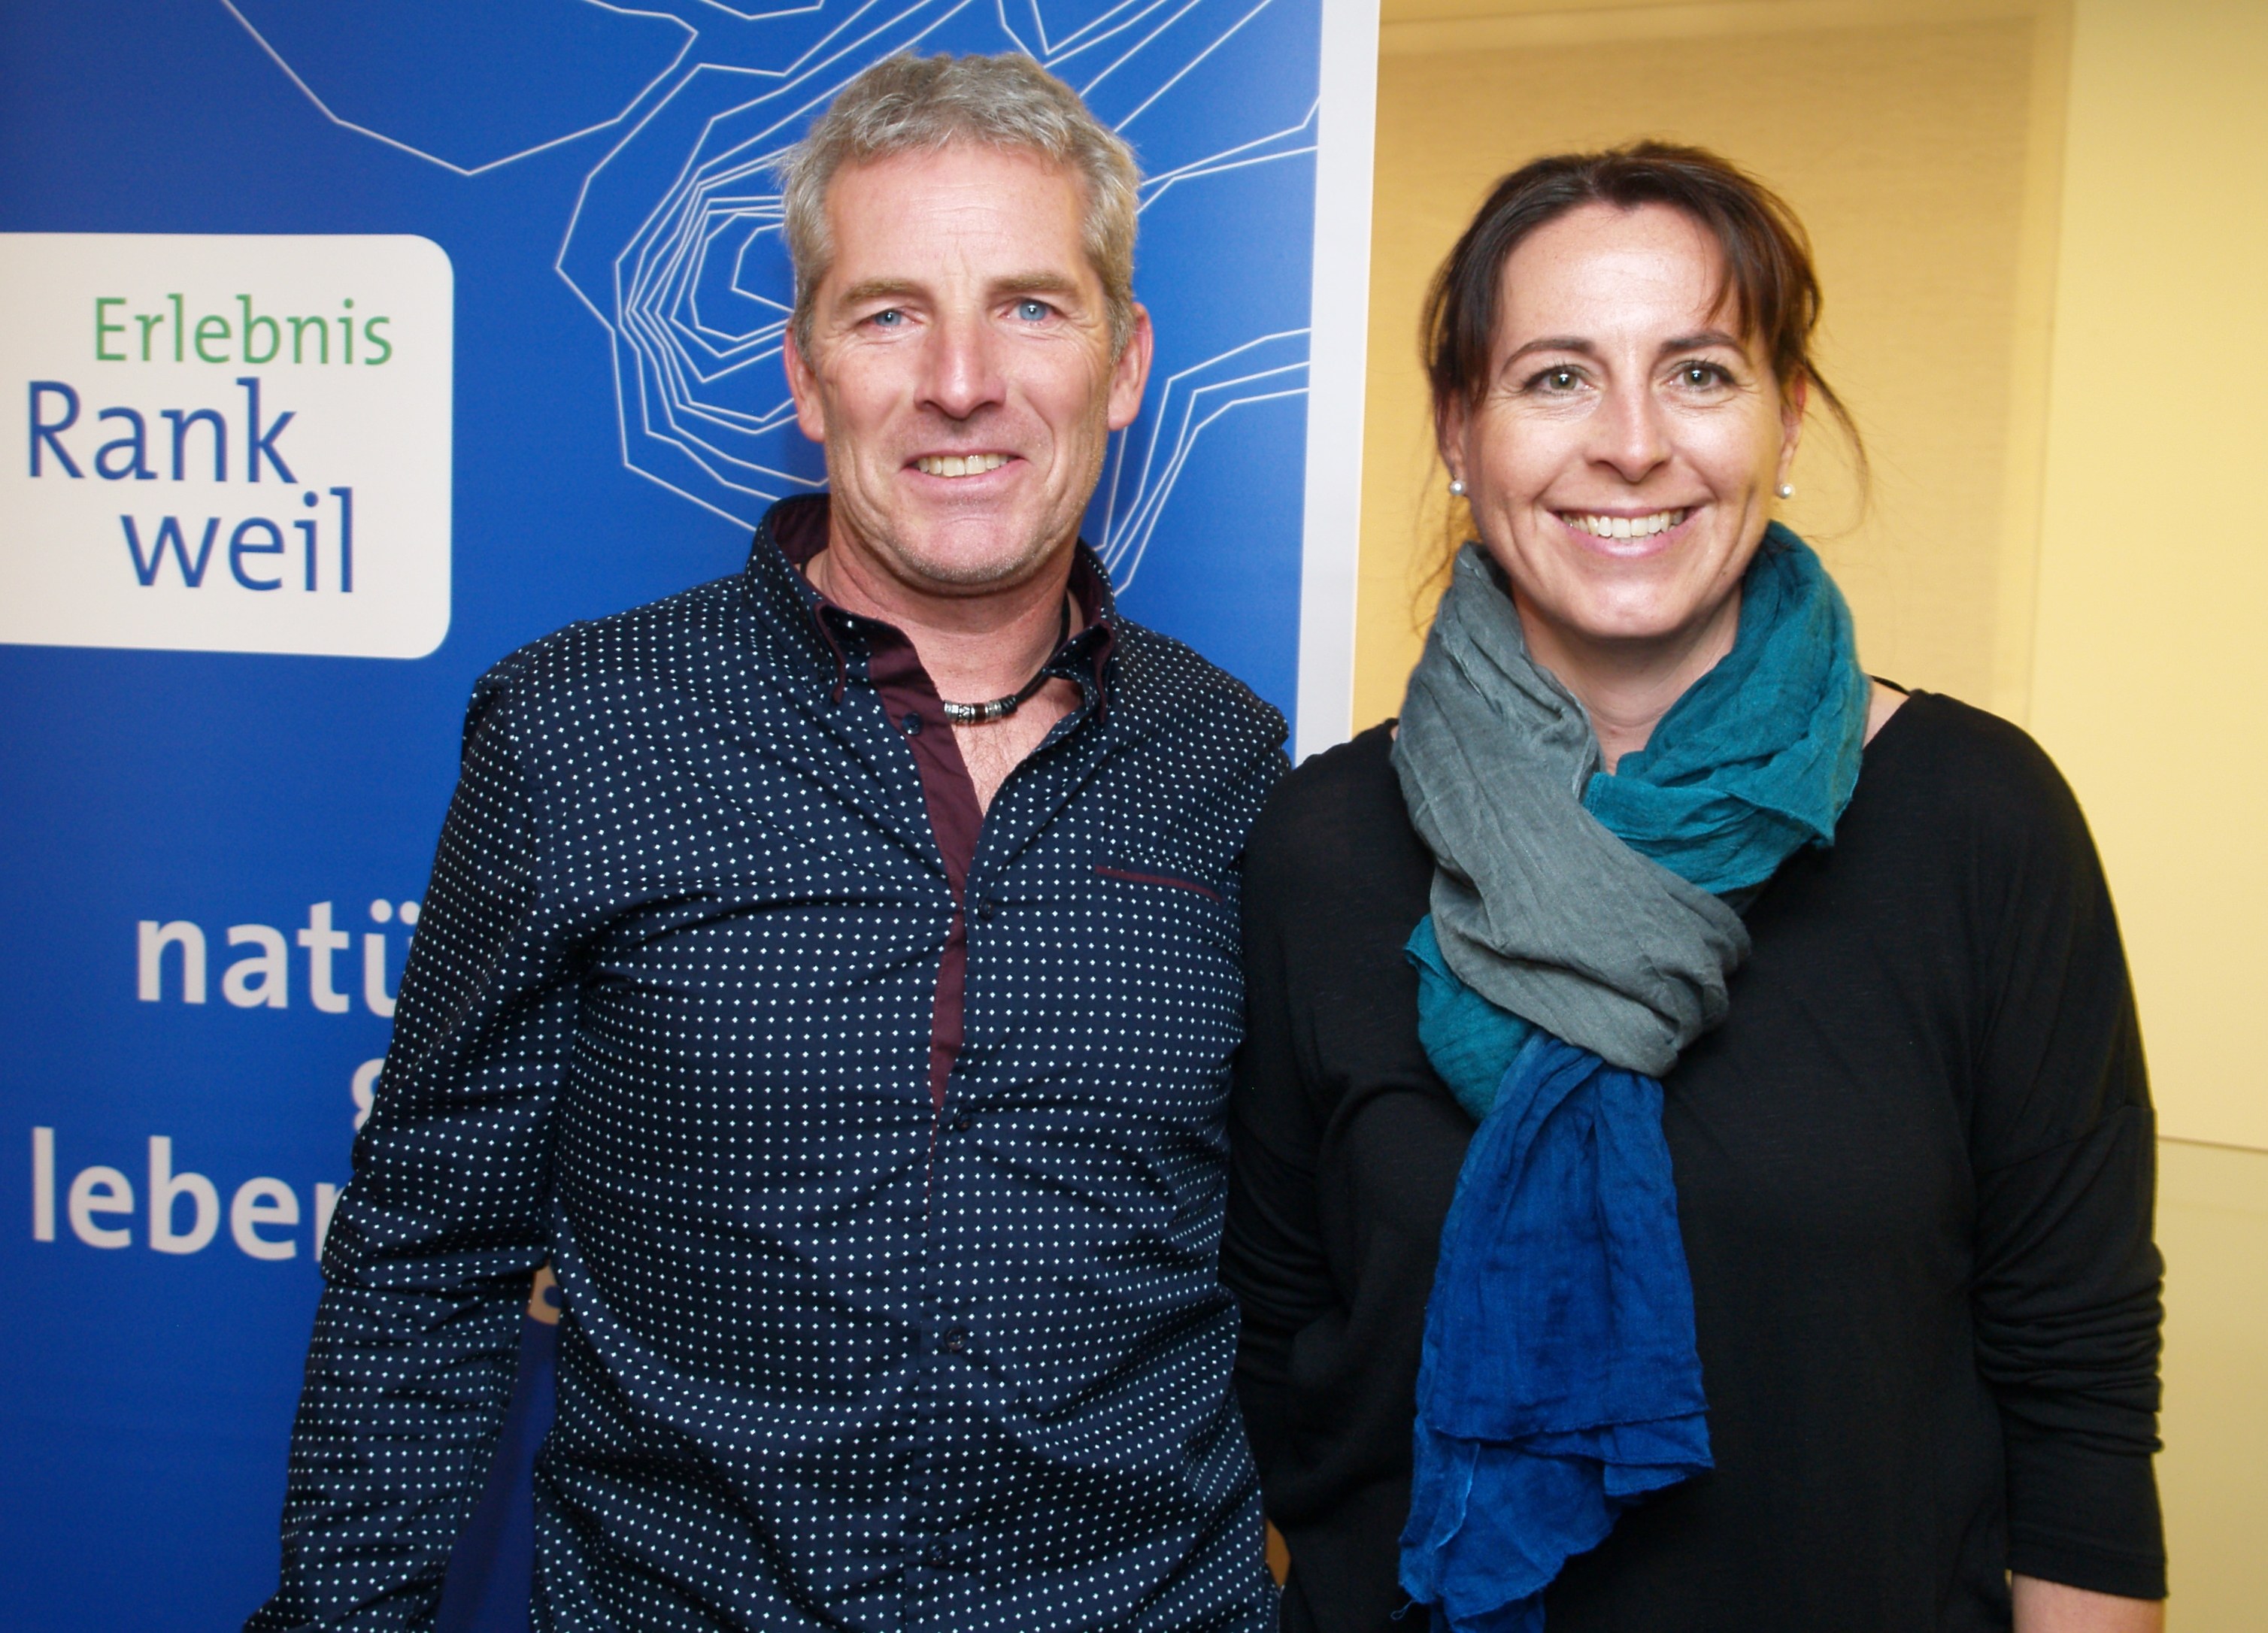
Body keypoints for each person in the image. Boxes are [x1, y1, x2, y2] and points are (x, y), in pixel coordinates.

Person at [248, 53, 1286, 1632]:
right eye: (888, 315)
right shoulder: (579, 730)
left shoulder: (1230, 758)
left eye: (1029, 306)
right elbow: (427, 1258)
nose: (960, 381)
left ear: (1124, 361)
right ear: (805, 375)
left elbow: (1291, 1275)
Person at [1223, 144, 2165, 1632]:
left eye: (1698, 373)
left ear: (1784, 420)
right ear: (1459, 431)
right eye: (1555, 378)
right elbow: (1277, 1358)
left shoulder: (1980, 823)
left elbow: (2079, 1388)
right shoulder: (1319, 844)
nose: (1630, 444)